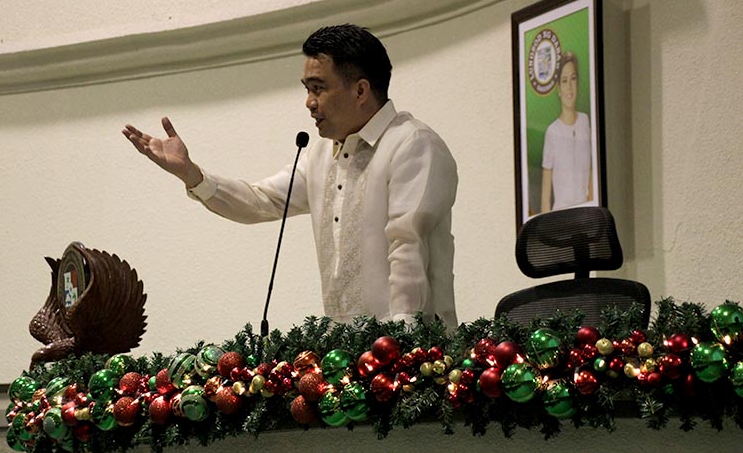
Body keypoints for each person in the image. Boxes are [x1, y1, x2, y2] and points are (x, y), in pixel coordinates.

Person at [123, 24, 458, 327]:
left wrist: (400, 346)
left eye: (318, 88)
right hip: (344, 357)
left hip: (414, 359)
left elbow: (408, 245)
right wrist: (191, 174)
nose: (309, 103)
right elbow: (260, 201)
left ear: (360, 91)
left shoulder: (411, 144)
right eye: (307, 89)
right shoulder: (320, 155)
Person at [540, 51, 593, 213]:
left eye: (573, 79)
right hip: (560, 220)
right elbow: (545, 197)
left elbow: (592, 173)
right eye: (564, 81)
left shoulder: (586, 122)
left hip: (586, 218)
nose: (569, 86)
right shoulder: (552, 132)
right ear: (558, 88)